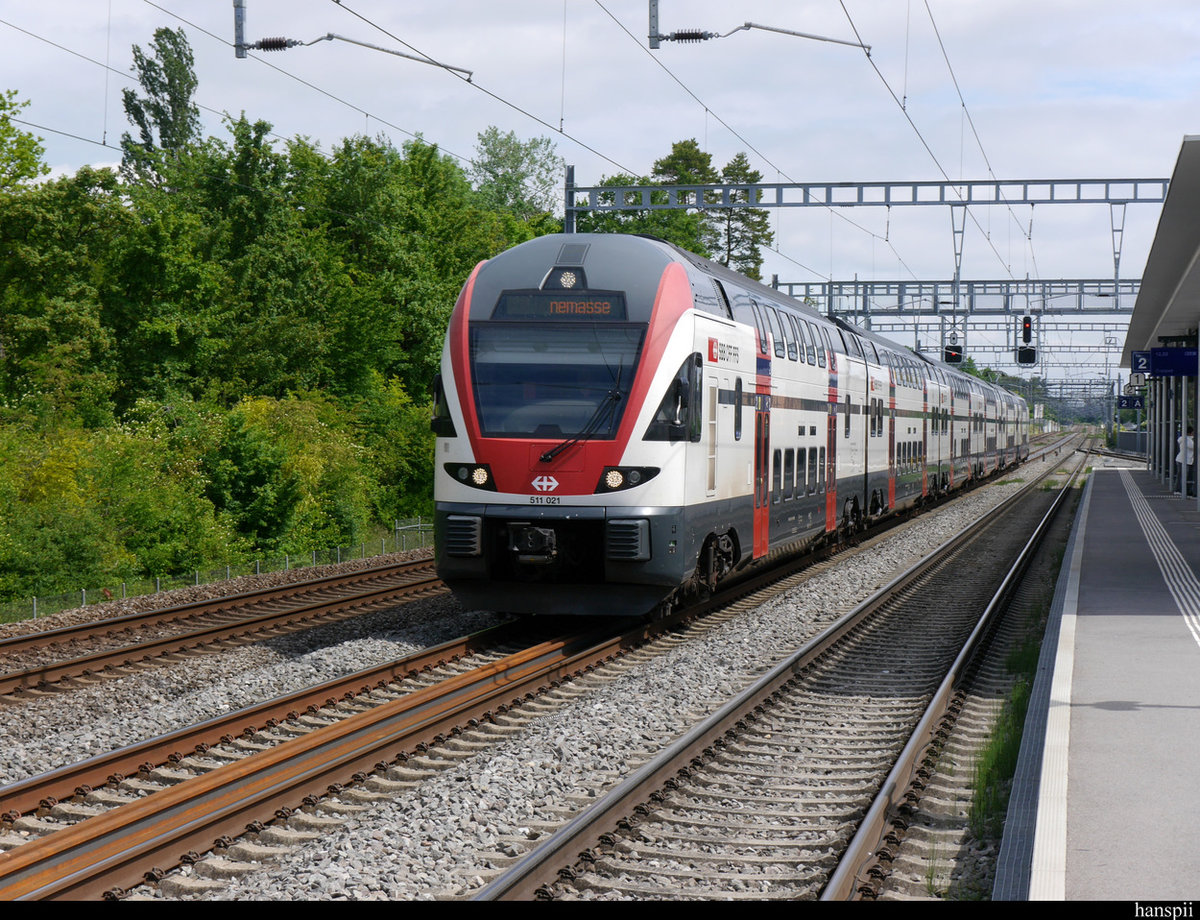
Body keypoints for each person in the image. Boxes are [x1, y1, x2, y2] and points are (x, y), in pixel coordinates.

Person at [1177, 425, 1195, 496]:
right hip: (1184, 460)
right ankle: (1180, 490)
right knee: (1183, 476)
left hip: (1185, 460)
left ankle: (1185, 490)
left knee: (1186, 476)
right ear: (1191, 433)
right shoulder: (1187, 440)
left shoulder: (1183, 439)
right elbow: (1193, 447)